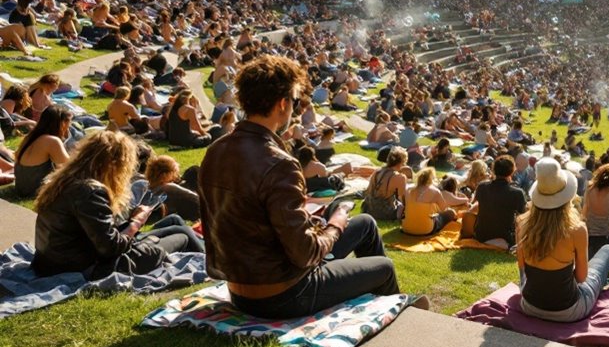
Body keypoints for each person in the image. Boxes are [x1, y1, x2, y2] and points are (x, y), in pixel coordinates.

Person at [198, 56, 403, 319]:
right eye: (295, 102)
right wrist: (337, 221)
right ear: (283, 103)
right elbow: (306, 254)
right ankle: (396, 317)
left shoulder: (216, 150)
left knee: (365, 224)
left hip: (240, 286)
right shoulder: (279, 163)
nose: (295, 108)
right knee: (384, 267)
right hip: (281, 293)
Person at [32, 131, 203, 279]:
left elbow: (97, 232)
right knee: (183, 236)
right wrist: (137, 220)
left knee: (174, 222)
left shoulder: (65, 180)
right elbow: (110, 247)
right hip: (88, 266)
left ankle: (212, 255)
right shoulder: (90, 191)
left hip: (54, 260)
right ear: (113, 164)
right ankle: (215, 262)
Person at [516, 157, 609, 323]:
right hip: (568, 310)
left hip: (529, 305)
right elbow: (582, 278)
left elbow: (522, 267)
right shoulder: (577, 230)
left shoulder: (521, 223)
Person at [13, 105, 71, 199]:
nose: (69, 126)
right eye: (69, 122)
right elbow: (68, 167)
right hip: (35, 190)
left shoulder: (31, 136)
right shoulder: (52, 141)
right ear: (62, 123)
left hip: (21, 188)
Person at [469, 155, 527, 249]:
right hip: (506, 237)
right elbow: (524, 215)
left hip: (481, 235)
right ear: (512, 171)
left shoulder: (482, 187)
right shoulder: (516, 193)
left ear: (494, 170)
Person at [401, 167, 468, 235]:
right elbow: (444, 209)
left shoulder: (408, 189)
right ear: (431, 179)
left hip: (407, 227)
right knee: (451, 212)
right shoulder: (435, 191)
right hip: (425, 229)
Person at [362, 147, 409, 221]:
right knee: (402, 206)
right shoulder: (400, 177)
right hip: (386, 212)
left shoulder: (377, 172)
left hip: (369, 209)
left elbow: (368, 190)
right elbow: (403, 199)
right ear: (402, 162)